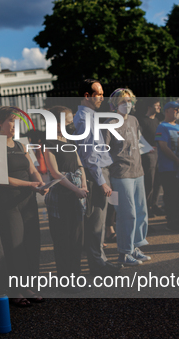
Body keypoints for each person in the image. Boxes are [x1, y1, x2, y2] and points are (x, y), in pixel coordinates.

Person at [0, 106, 46, 306]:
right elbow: (0, 177)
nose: (14, 125)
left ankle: (27, 285)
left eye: (17, 121)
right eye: (10, 120)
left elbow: (32, 169)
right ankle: (14, 290)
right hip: (9, 202)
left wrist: (41, 182)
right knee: (14, 246)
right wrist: (30, 185)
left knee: (31, 243)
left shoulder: (20, 145)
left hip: (28, 200)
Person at [73, 79, 121, 274]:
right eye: (98, 93)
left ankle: (99, 260)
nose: (102, 97)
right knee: (95, 222)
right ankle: (97, 264)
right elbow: (89, 154)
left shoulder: (90, 116)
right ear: (87, 96)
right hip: (96, 175)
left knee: (99, 222)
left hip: (100, 172)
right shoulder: (85, 118)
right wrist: (102, 181)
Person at [42, 106, 87, 288]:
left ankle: (76, 277)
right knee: (63, 240)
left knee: (77, 239)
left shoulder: (68, 139)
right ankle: (65, 281)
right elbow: (55, 173)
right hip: (61, 196)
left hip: (76, 192)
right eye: (68, 121)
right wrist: (76, 189)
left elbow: (79, 164)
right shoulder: (49, 143)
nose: (71, 124)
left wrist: (83, 184)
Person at [104, 88, 150, 266]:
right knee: (126, 214)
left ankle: (135, 247)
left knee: (140, 212)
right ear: (115, 104)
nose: (127, 104)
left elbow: (138, 143)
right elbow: (104, 151)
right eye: (123, 101)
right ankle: (124, 252)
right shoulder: (109, 123)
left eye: (129, 101)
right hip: (120, 174)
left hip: (138, 172)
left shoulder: (134, 120)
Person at [155, 101, 179, 232]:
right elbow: (163, 146)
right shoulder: (161, 127)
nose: (178, 111)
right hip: (168, 168)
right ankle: (171, 221)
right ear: (167, 111)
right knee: (171, 195)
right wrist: (176, 159)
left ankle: (178, 218)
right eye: (176, 109)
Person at [138, 98, 163, 218]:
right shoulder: (142, 121)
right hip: (149, 154)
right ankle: (147, 207)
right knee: (149, 182)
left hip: (160, 153)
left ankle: (154, 205)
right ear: (149, 106)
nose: (159, 107)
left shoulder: (158, 120)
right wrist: (147, 148)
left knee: (158, 181)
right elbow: (139, 137)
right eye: (157, 105)